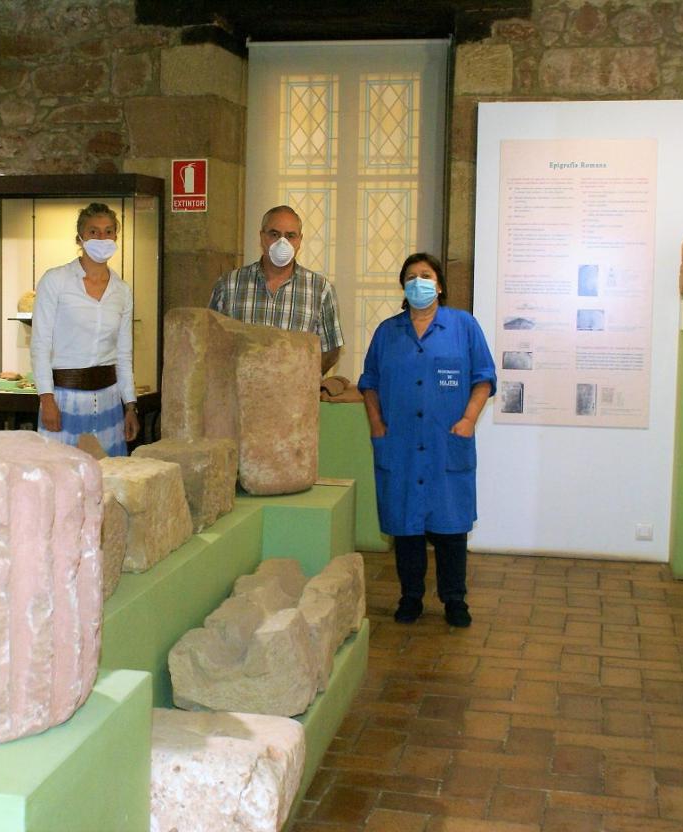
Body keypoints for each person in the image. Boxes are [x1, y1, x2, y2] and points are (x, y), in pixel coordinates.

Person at [358, 253, 496, 628]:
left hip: (445, 442)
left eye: (426, 275)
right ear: (403, 287)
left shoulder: (463, 326)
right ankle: (411, 597)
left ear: (438, 284)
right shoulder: (388, 332)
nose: (419, 282)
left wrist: (469, 419)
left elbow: (484, 377)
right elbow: (368, 383)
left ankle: (455, 600)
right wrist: (376, 425)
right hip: (400, 444)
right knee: (407, 529)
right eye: (411, 276)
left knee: (452, 529)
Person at [30, 202, 140, 456]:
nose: (102, 237)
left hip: (109, 400)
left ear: (116, 236)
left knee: (109, 479)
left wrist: (130, 406)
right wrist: (46, 399)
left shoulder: (121, 291)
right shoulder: (55, 280)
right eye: (93, 231)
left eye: (108, 231)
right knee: (63, 475)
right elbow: (40, 344)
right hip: (64, 398)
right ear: (79, 237)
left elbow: (123, 353)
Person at [208, 205, 344, 374]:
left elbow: (331, 348)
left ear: (299, 241)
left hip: (293, 396)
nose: (282, 242)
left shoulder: (320, 289)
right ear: (261, 237)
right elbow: (209, 341)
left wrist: (305, 379)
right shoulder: (228, 285)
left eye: (290, 236)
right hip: (240, 395)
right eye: (274, 234)